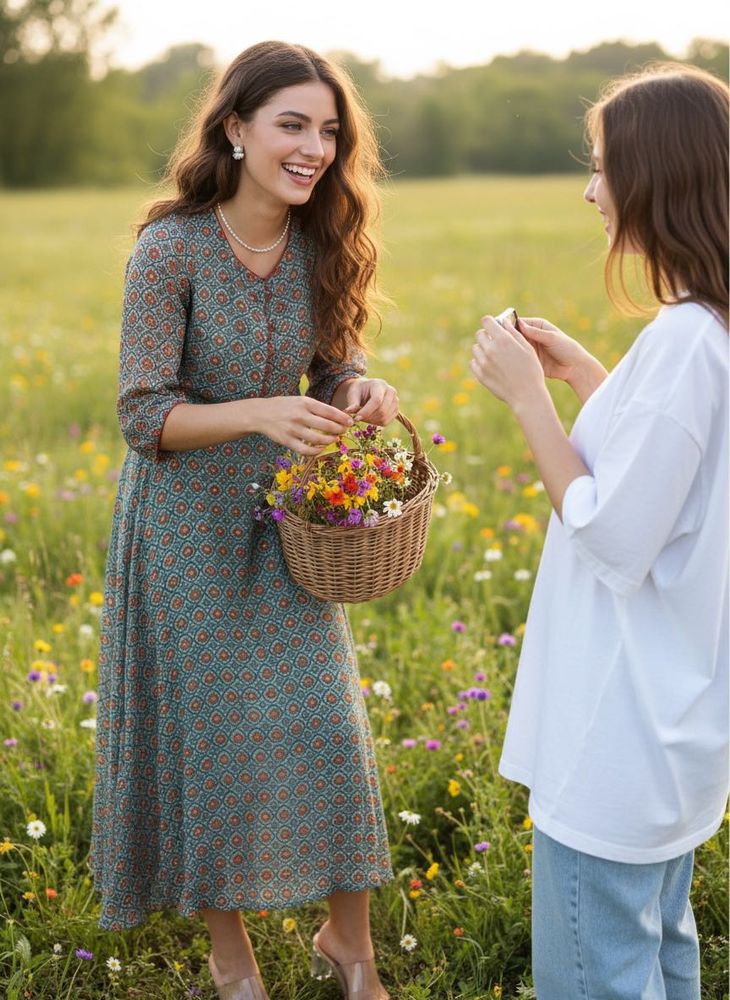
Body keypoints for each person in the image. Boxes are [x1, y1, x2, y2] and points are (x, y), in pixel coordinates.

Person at [91, 40, 398, 1000]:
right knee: (214, 738)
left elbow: (330, 372)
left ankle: (352, 949)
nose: (313, 148)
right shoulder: (170, 247)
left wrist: (360, 389)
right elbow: (145, 415)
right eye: (292, 125)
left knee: (327, 726)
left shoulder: (320, 243)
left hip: (290, 520)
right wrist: (262, 412)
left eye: (328, 131)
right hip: (182, 526)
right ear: (235, 128)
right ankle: (233, 962)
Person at [470, 63, 728, 1000]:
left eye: (602, 166)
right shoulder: (708, 334)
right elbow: (676, 479)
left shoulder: (686, 344)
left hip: (618, 742)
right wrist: (588, 376)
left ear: (656, 176)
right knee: (662, 958)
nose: (590, 189)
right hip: (674, 738)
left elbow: (616, 538)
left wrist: (528, 399)